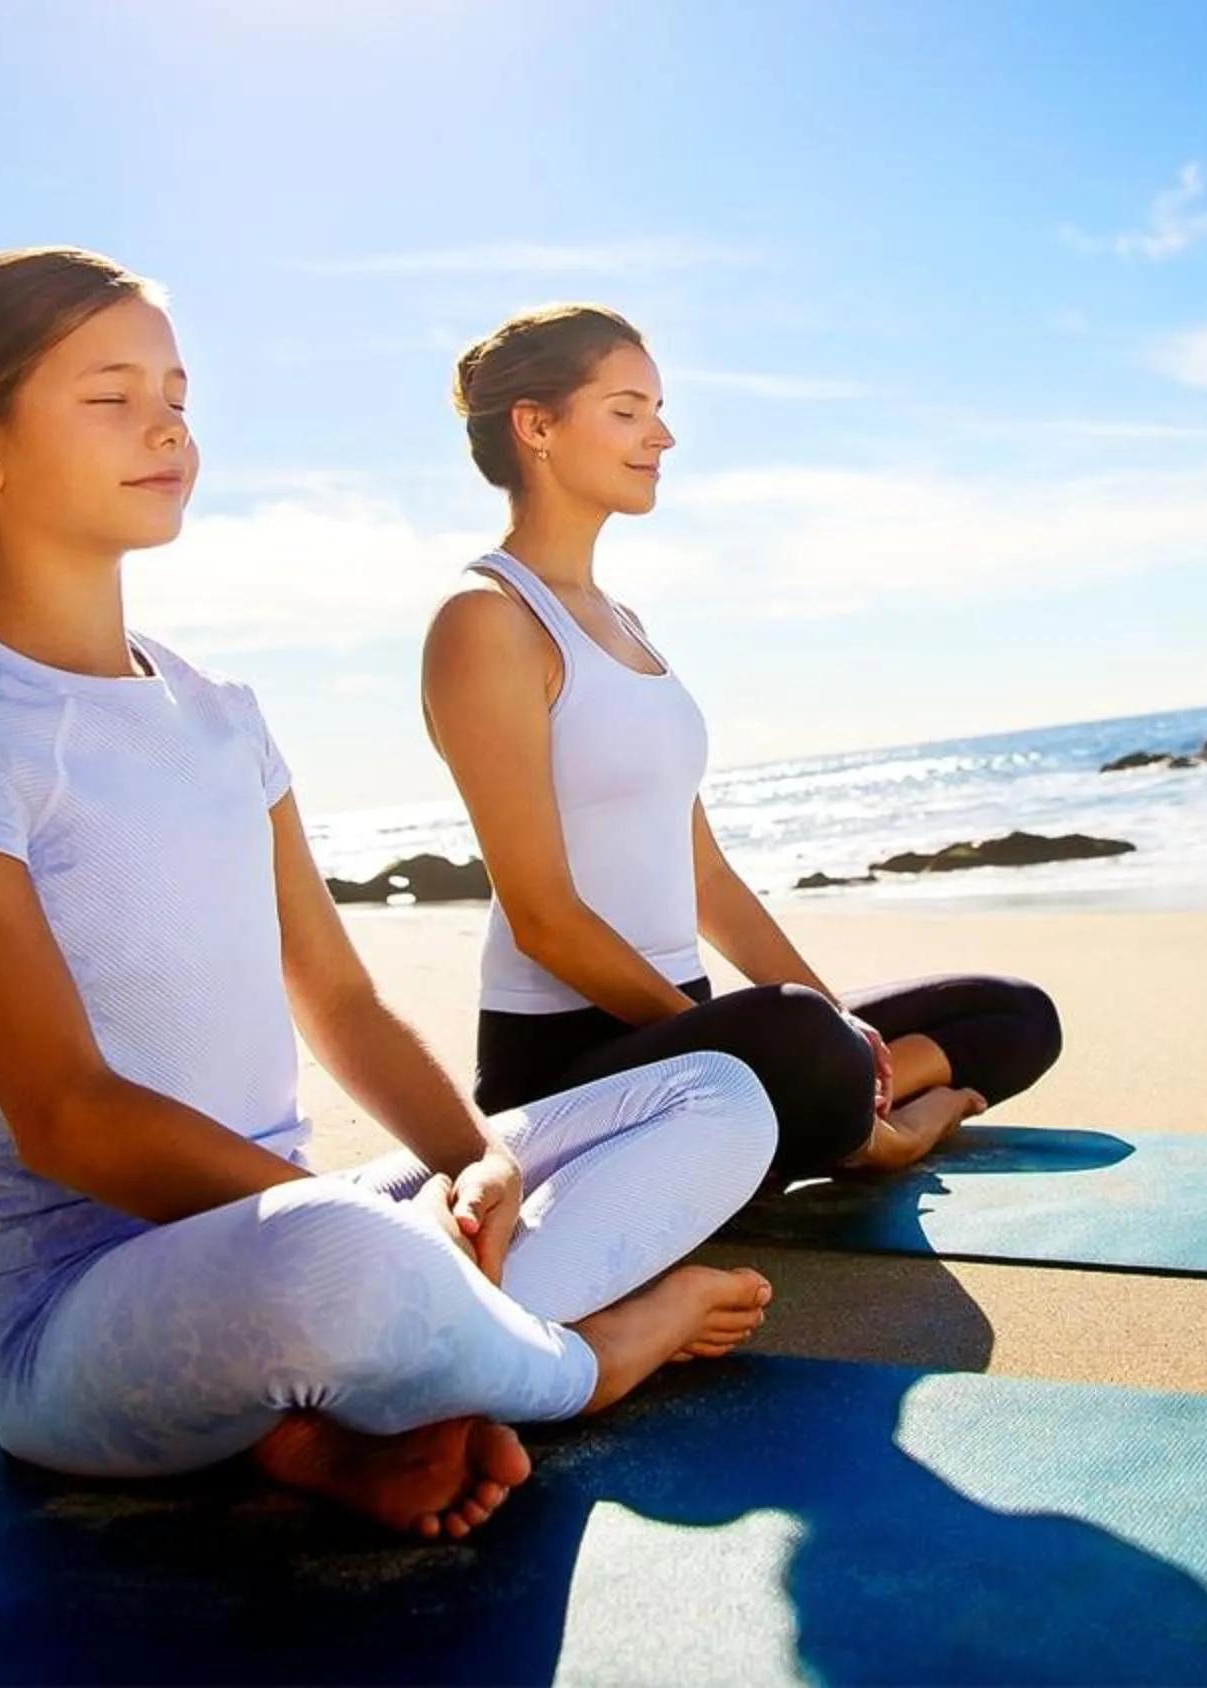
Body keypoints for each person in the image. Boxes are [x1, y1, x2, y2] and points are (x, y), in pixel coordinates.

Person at [0, 250, 776, 1541]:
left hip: (293, 1233)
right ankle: (584, 1358)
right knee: (333, 1260)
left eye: (177, 395)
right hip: (83, 1315)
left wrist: (472, 1165)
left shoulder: (222, 713)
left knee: (721, 1092)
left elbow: (339, 997)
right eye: (112, 397)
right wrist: (373, 1233)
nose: (167, 427)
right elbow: (67, 1117)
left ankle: (341, 1411)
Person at [421, 305, 1064, 1183]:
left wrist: (842, 1028)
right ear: (536, 426)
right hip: (567, 1068)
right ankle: (880, 1128)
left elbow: (707, 879)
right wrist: (758, 1043)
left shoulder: (621, 621)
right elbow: (543, 919)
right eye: (627, 411)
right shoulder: (486, 622)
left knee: (1012, 1012)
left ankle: (846, 1099)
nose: (662, 436)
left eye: (658, 410)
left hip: (694, 1028)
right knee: (796, 1033)